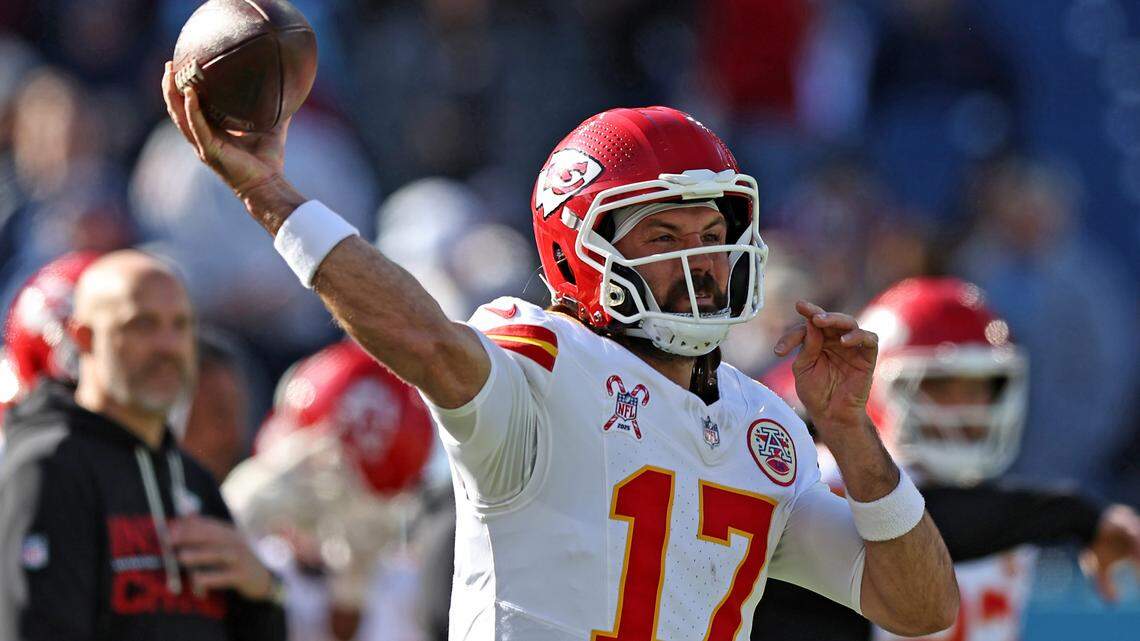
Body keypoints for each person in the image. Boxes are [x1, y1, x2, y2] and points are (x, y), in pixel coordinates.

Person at [163, 65, 959, 639]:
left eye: (713, 235)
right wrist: (275, 200)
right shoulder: (543, 366)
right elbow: (425, 341)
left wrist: (852, 435)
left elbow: (921, 606)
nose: (701, 260)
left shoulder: (764, 429)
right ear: (580, 252)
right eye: (664, 235)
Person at [752, 277, 1140, 641]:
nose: (965, 408)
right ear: (875, 383)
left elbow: (972, 517)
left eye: (979, 387)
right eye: (939, 386)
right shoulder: (819, 474)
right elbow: (920, 523)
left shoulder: (1000, 512)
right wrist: (1074, 515)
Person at [0, 250, 286, 640]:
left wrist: (263, 593)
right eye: (142, 325)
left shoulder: (192, 479)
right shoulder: (48, 466)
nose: (167, 346)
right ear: (84, 337)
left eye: (181, 325)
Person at [222, 339, 435, 641]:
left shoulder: (406, 589)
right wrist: (235, 511)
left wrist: (352, 593)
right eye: (308, 466)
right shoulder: (254, 551)